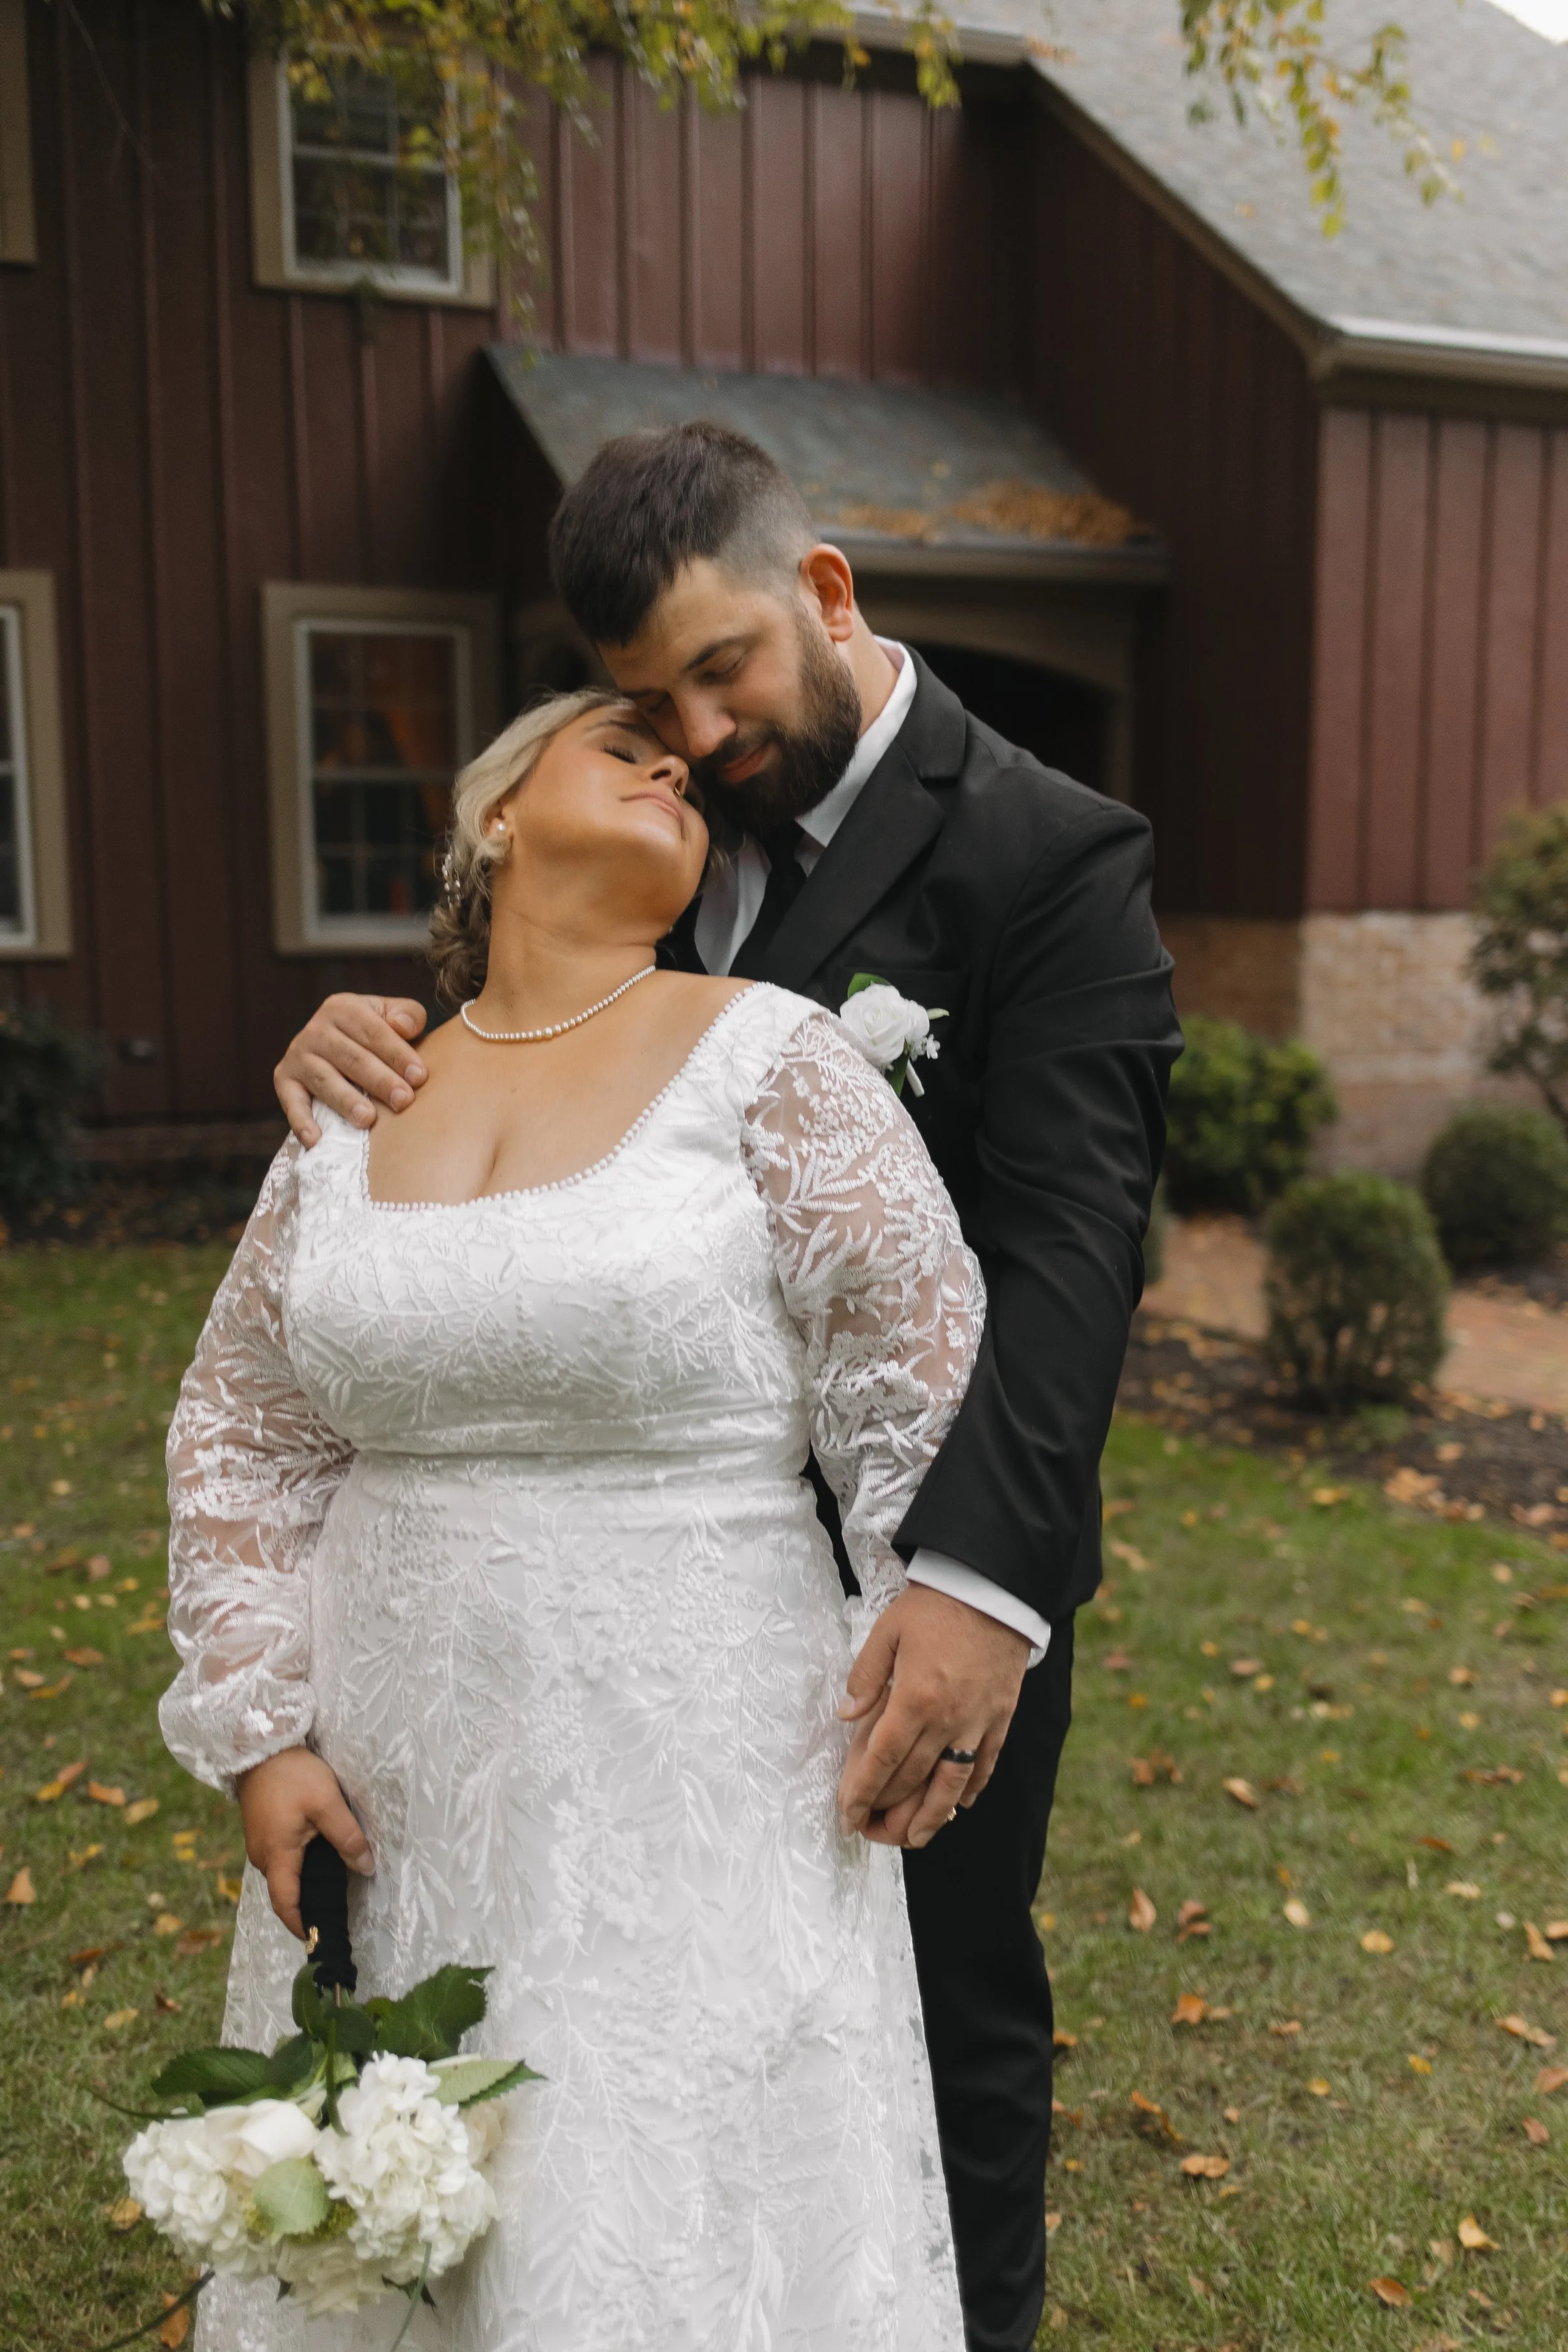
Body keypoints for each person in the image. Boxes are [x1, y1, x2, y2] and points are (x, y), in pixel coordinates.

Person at [274, 425, 1182, 2352]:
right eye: (646, 701)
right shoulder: (660, 827)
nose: (692, 733)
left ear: (824, 591)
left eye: (721, 668)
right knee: (628, 2023)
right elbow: (546, 1034)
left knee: (936, 2005)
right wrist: (371, 1032)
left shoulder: (1049, 853)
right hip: (632, 1595)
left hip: (922, 1575)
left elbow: (1068, 1253)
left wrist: (975, 1587)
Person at [164, 688, 981, 2350]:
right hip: (396, 1772)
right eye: (619, 744)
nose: (675, 764)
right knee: (416, 2191)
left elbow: (918, 1370)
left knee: (662, 2203)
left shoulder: (769, 1054)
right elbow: (244, 1434)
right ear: (495, 817)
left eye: (692, 775)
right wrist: (263, 1734)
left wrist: (928, 1632)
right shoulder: (352, 1099)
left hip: (698, 1763)